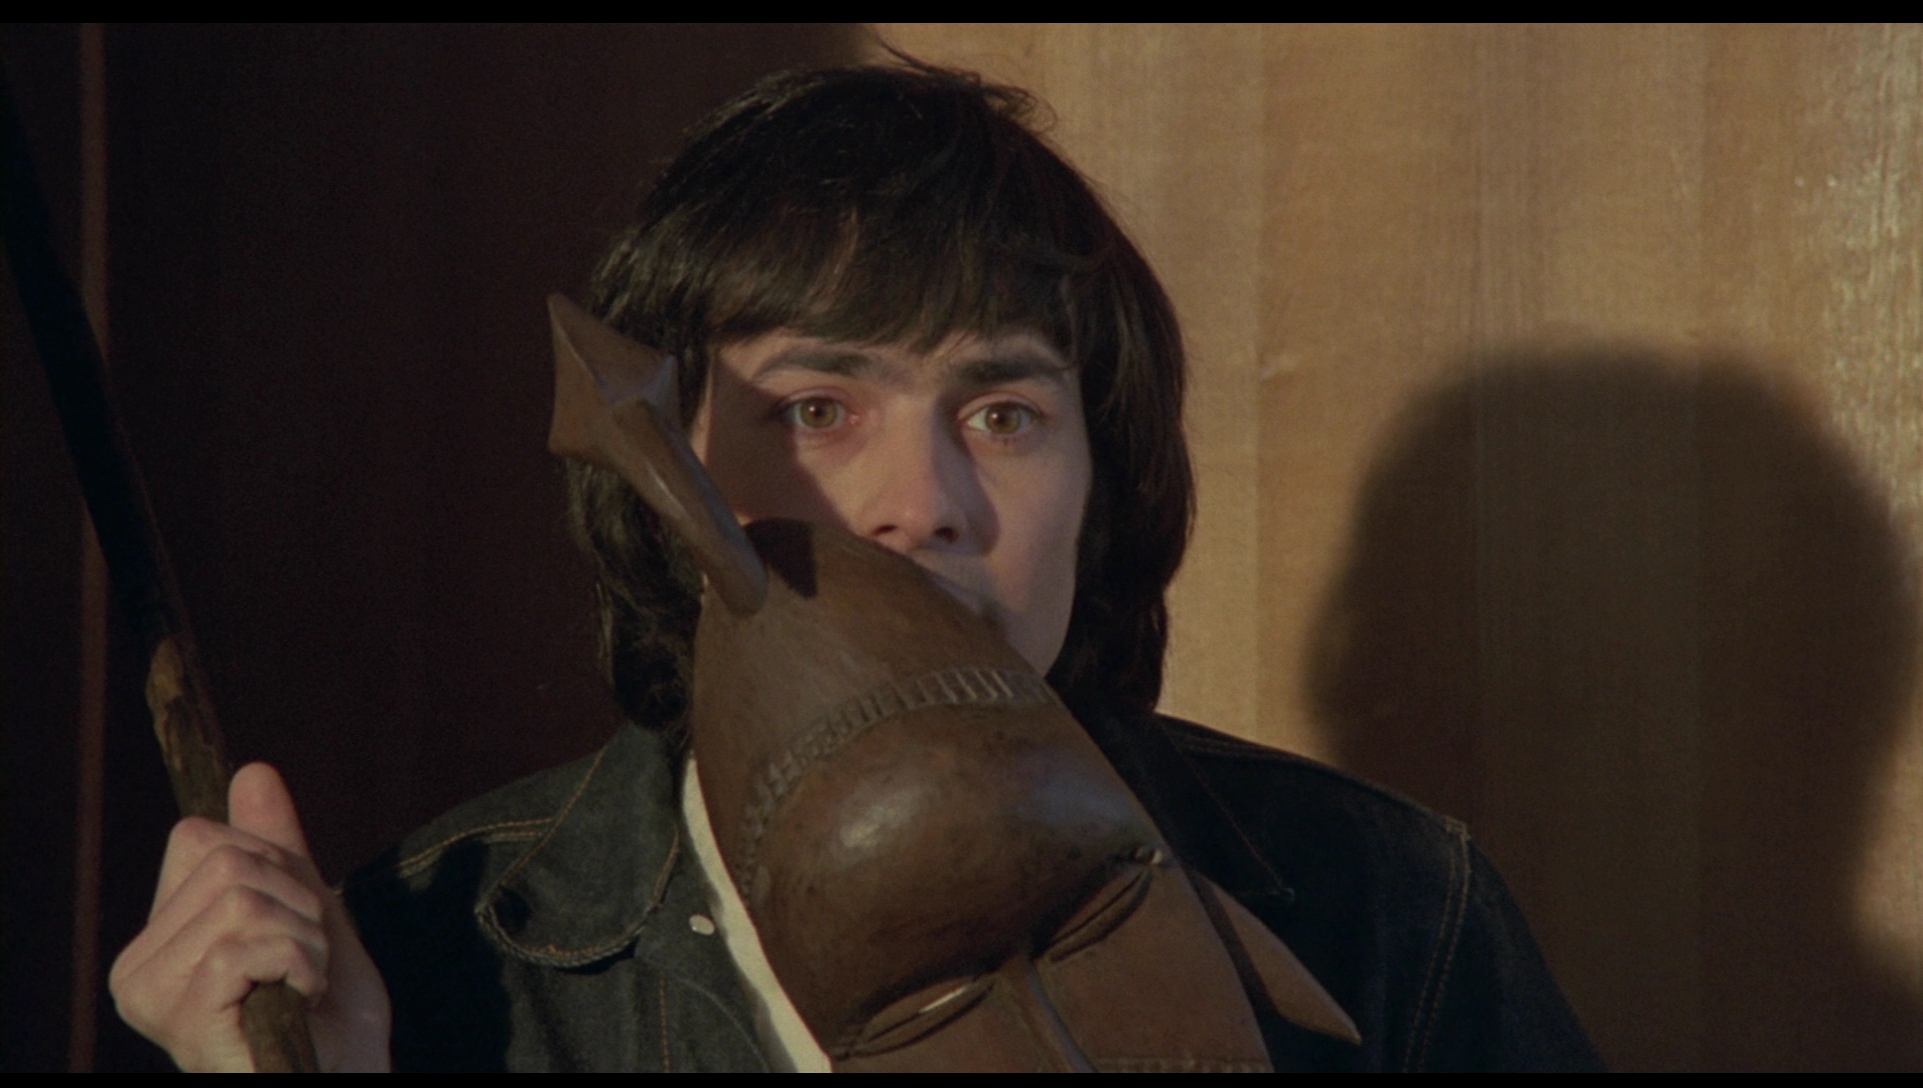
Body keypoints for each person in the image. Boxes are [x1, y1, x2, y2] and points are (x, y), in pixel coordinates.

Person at [109, 62, 1601, 1072]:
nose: (923, 507)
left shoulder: (1393, 916)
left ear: (1104, 483)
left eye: (1004, 415)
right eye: (816, 411)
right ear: (663, 475)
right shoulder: (428, 968)